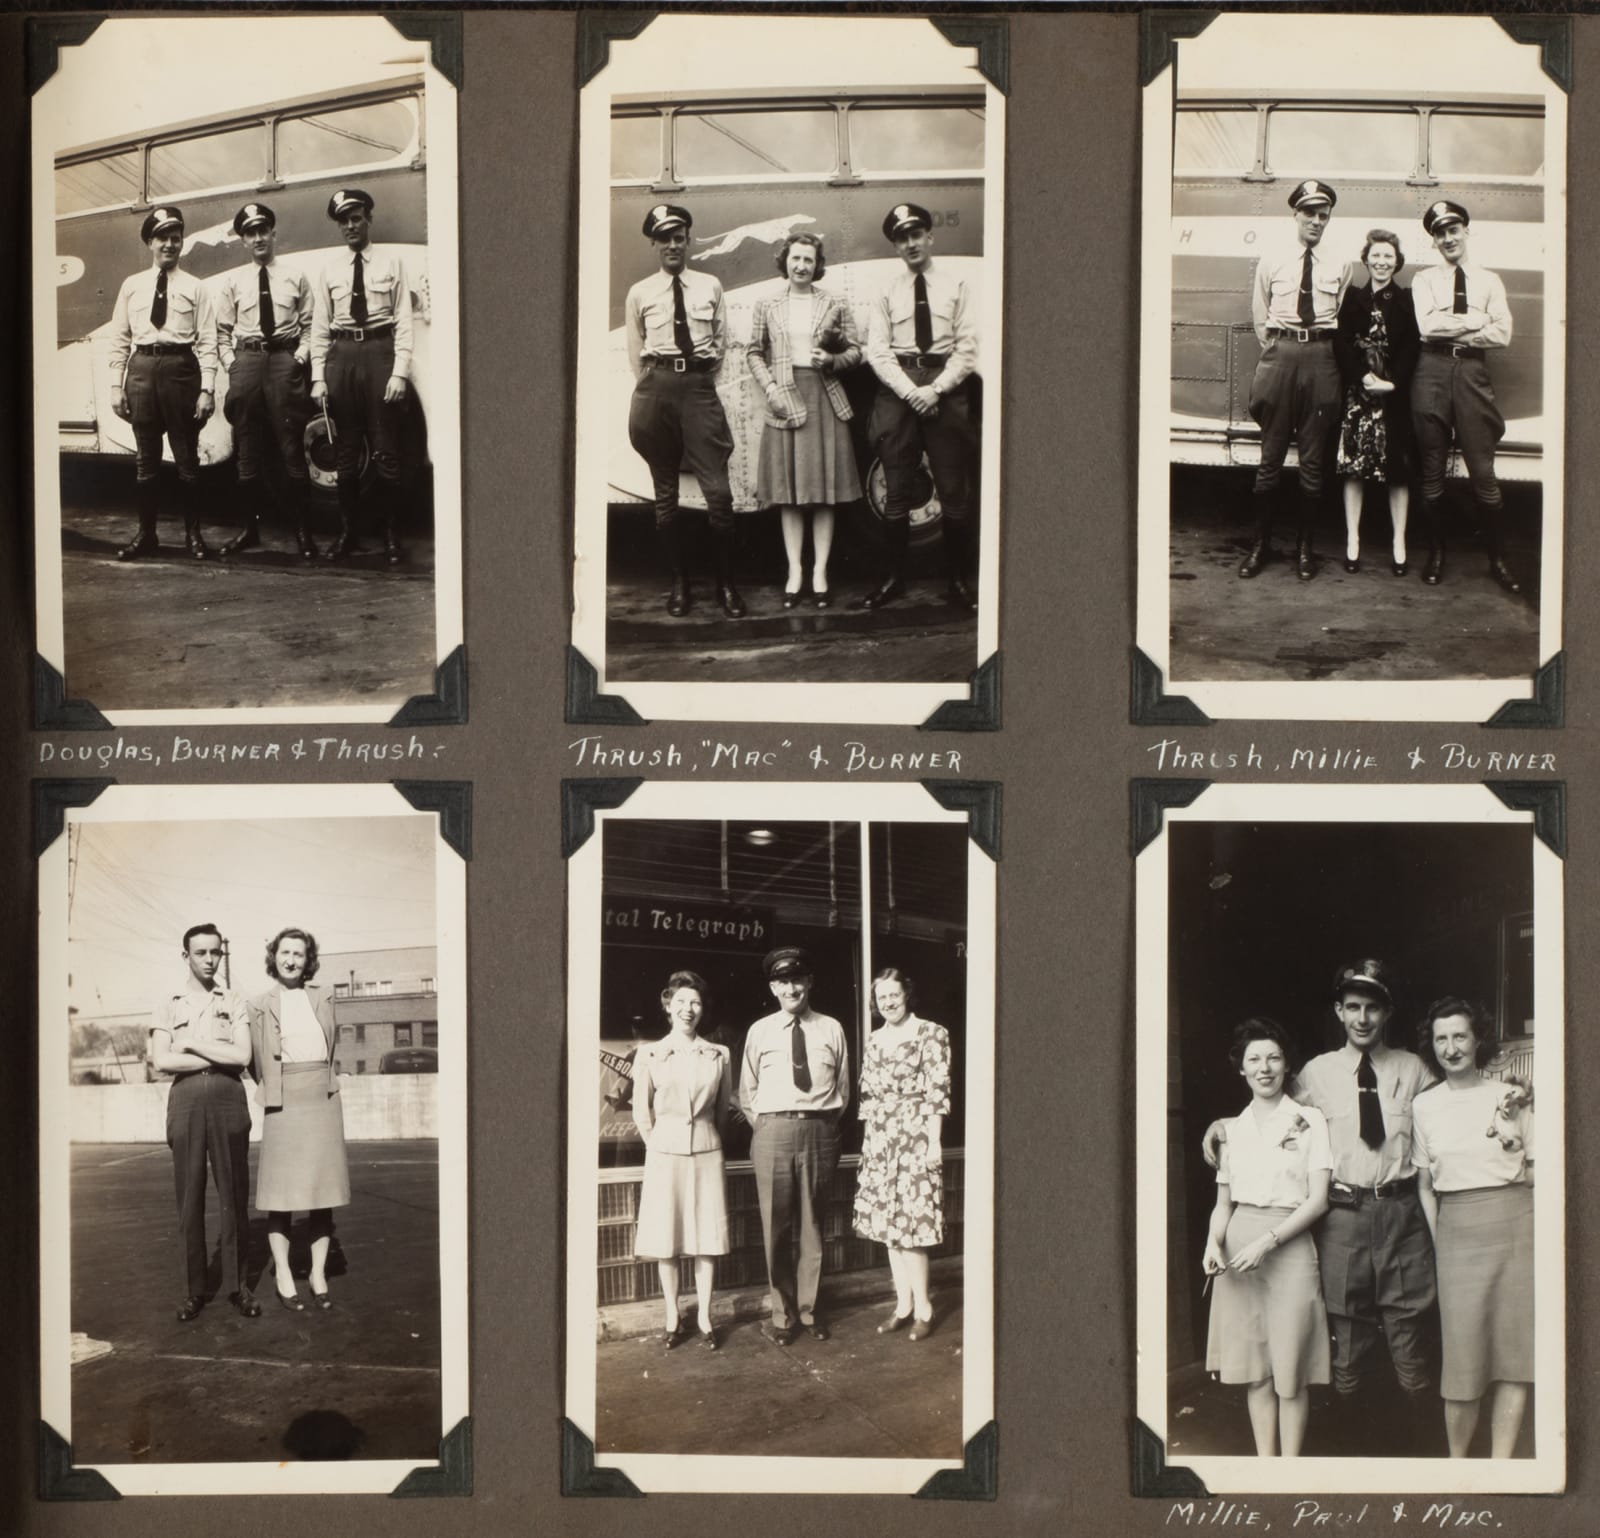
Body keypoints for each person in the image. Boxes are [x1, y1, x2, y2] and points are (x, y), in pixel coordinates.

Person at [1202, 960, 1438, 1446]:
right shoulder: (1314, 1073)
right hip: (1342, 1216)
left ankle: (1417, 1447)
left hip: (1399, 1211)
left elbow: (1448, 1116)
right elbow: (1271, 1106)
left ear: (1387, 1011)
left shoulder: (1414, 1070)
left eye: (1373, 1007)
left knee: (1407, 1327)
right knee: (1345, 1332)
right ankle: (1348, 1445)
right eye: (1352, 1007)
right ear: (1338, 1011)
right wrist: (1220, 1125)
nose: (1362, 1018)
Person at [1201, 1019, 1332, 1456]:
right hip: (1239, 1250)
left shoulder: (1309, 1120)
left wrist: (1269, 1241)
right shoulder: (1230, 1131)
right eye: (1254, 1059)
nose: (1264, 1067)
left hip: (1289, 1247)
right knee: (1256, 1371)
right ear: (1241, 1068)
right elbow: (1224, 1204)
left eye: (1273, 1057)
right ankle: (1265, 1466)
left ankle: (1289, 1473)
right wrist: (1212, 1243)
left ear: (1286, 1064)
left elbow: (1317, 1201)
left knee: (1289, 1370)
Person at [1413, 998, 1534, 1458]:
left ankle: (1500, 1469)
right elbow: (1424, 1183)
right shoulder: (1425, 1106)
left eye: (1460, 1036)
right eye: (1441, 1038)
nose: (1451, 1047)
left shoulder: (1509, 1095)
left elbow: (1536, 1168)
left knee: (1513, 1356)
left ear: (1478, 1038)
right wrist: (1440, 1234)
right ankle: (1458, 1468)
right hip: (1456, 1233)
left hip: (1515, 1227)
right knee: (1463, 1362)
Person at [624, 203, 744, 619]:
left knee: (719, 494)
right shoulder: (640, 292)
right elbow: (635, 353)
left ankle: (725, 586)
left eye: (679, 237)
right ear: (655, 244)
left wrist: (695, 380)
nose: (673, 245)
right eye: (665, 238)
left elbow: (722, 345)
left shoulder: (710, 286)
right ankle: (680, 586)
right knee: (665, 497)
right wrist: (653, 387)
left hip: (697, 388)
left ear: (688, 241)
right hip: (655, 391)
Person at [862, 202, 980, 611]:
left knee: (954, 493)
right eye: (902, 238)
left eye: (916, 234)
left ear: (930, 236)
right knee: (896, 494)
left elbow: (967, 350)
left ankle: (958, 583)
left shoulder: (957, 285)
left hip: (944, 390)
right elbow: (876, 351)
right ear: (896, 246)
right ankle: (893, 581)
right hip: (899, 389)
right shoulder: (885, 290)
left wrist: (936, 390)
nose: (911, 243)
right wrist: (910, 392)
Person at [744, 233, 863, 609]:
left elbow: (856, 351)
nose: (801, 266)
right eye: (795, 259)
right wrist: (771, 390)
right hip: (785, 398)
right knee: (790, 494)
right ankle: (795, 571)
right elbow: (753, 351)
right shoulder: (768, 304)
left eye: (808, 260)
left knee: (824, 493)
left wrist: (832, 361)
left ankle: (820, 572)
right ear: (785, 261)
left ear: (817, 264)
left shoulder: (834, 303)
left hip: (824, 397)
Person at [147, 923, 259, 1320]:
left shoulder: (235, 999)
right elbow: (162, 1060)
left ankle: (237, 1286)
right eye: (201, 953)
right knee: (189, 1199)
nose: (210, 960)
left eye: (215, 953)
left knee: (234, 1198)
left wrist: (192, 1043)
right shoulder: (169, 1003)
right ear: (186, 956)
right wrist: (218, 1053)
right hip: (187, 1101)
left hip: (229, 1099)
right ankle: (195, 1290)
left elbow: (243, 1056)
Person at [1239, 179, 1349, 582]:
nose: (1316, 221)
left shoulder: (1339, 263)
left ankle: (1305, 549)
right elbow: (1260, 314)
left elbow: (1337, 311)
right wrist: (1280, 350)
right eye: (1309, 213)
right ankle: (1260, 545)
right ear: (1296, 214)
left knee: (1313, 463)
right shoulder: (1273, 260)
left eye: (1324, 215)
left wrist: (1312, 346)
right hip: (1281, 356)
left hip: (1321, 357)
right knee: (1269, 460)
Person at [739, 946, 850, 1346]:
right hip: (773, 1132)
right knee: (776, 1228)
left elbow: (843, 1089)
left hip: (819, 1132)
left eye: (798, 979)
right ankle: (782, 1317)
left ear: (810, 983)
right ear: (773, 987)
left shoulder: (831, 1028)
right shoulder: (760, 1031)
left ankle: (810, 1310)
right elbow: (746, 1090)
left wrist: (818, 1123)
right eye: (783, 981)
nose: (791, 987)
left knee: (813, 1227)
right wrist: (769, 1127)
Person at [1409, 200, 1519, 591]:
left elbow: (1502, 333)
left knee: (1483, 471)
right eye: (1440, 233)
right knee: (1432, 470)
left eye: (1453, 230)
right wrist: (1477, 320)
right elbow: (1427, 327)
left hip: (1472, 373)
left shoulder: (1490, 281)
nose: (1447, 238)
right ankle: (1436, 554)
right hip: (1431, 372)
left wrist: (1457, 329)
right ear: (1434, 241)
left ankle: (1498, 559)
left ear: (1466, 232)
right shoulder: (1424, 280)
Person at [105, 205, 218, 561]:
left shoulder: (196, 287)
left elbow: (209, 341)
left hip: (181, 370)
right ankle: (147, 535)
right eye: (162, 238)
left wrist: (207, 389)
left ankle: (193, 537)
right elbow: (119, 337)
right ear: (150, 243)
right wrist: (115, 384)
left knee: (187, 458)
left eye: (175, 238)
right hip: (141, 371)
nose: (170, 245)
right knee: (146, 460)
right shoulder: (132, 285)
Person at [246, 927, 350, 1311]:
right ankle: (285, 1273)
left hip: (322, 1097)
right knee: (282, 1196)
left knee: (323, 1195)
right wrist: (278, 1085)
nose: (291, 960)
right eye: (285, 952)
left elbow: (331, 1042)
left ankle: (319, 1274)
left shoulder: (324, 996)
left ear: (309, 961)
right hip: (283, 1100)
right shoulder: (257, 1004)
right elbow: (256, 1060)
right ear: (274, 956)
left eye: (299, 954)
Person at [309, 188, 414, 565]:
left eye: (356, 218)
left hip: (378, 354)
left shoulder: (391, 262)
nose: (350, 226)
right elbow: (320, 327)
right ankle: (348, 533)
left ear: (368, 218)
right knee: (346, 453)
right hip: (342, 359)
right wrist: (319, 377)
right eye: (343, 221)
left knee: (386, 451)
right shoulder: (330, 270)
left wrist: (400, 372)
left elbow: (403, 320)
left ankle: (390, 537)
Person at [631, 971, 732, 1351]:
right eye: (681, 1002)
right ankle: (672, 1314)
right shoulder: (650, 1053)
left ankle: (705, 1315)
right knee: (666, 1240)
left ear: (703, 1009)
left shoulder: (718, 1055)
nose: (688, 1009)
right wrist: (658, 1144)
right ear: (668, 1006)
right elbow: (642, 1112)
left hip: (706, 1151)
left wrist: (706, 1138)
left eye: (696, 1003)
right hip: (664, 1154)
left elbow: (722, 1111)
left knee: (706, 1239)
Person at [851, 968, 952, 1341]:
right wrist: (869, 1146)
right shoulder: (875, 1040)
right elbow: (868, 1097)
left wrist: (934, 1142)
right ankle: (903, 1305)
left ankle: (925, 1307)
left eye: (893, 995)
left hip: (915, 1135)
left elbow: (938, 1091)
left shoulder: (931, 1033)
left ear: (906, 994)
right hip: (881, 1138)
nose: (888, 1003)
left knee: (912, 1229)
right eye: (881, 998)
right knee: (890, 1231)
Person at [215, 202, 318, 559]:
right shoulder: (233, 281)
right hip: (247, 361)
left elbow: (310, 326)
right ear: (243, 240)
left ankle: (304, 532)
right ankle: (249, 530)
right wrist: (233, 364)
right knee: (246, 449)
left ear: (273, 234)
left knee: (292, 448)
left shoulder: (296, 277)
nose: (258, 238)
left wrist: (298, 359)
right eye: (250, 233)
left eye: (263, 230)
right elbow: (221, 331)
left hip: (282, 362)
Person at [1333, 229, 1420, 575]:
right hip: (1359, 396)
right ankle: (1352, 541)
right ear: (1366, 259)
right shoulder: (1352, 298)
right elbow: (1340, 342)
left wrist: (1390, 383)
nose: (1381, 262)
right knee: (1353, 468)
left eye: (1388, 256)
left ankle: (1399, 543)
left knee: (1398, 472)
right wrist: (1363, 378)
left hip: (1392, 397)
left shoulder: (1406, 300)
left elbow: (1413, 346)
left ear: (1397, 262)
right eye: (1376, 255)